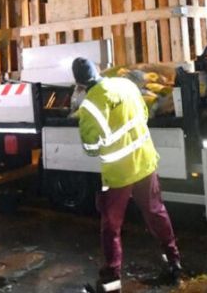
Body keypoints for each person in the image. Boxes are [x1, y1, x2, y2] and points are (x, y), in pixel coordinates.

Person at [73, 57, 182, 292]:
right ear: (98, 70)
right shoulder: (126, 84)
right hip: (144, 162)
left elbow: (91, 147)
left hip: (119, 173)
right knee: (155, 212)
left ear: (80, 84)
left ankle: (111, 278)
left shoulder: (90, 105)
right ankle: (174, 261)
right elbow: (143, 114)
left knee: (111, 226)